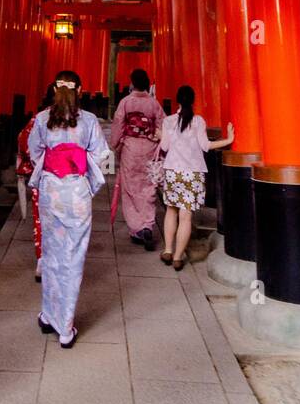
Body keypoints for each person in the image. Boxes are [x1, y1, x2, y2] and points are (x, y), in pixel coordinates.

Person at [28, 69, 107, 348]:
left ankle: (49, 314)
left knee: (51, 252)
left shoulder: (41, 119)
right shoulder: (88, 121)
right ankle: (65, 325)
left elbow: (34, 151)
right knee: (73, 256)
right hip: (76, 192)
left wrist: (53, 168)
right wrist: (81, 169)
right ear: (80, 91)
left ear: (54, 89)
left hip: (51, 190)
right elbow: (101, 154)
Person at [158, 84, 234, 271]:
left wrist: (161, 135)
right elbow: (206, 145)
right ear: (193, 101)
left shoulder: (168, 121)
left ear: (177, 99)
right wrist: (229, 140)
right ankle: (177, 257)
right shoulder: (198, 121)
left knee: (171, 211)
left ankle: (167, 250)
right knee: (186, 216)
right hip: (192, 173)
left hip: (173, 171)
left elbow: (165, 147)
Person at [109, 67, 164, 250]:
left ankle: (137, 229)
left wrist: (114, 144)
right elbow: (162, 125)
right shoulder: (154, 103)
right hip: (149, 147)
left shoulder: (126, 102)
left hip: (131, 148)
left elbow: (118, 123)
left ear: (132, 83)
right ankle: (148, 224)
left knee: (130, 187)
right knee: (148, 187)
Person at [16, 83, 55, 282]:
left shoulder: (39, 119)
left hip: (44, 175)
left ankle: (42, 260)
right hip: (73, 181)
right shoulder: (82, 119)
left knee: (42, 219)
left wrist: (38, 163)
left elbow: (25, 142)